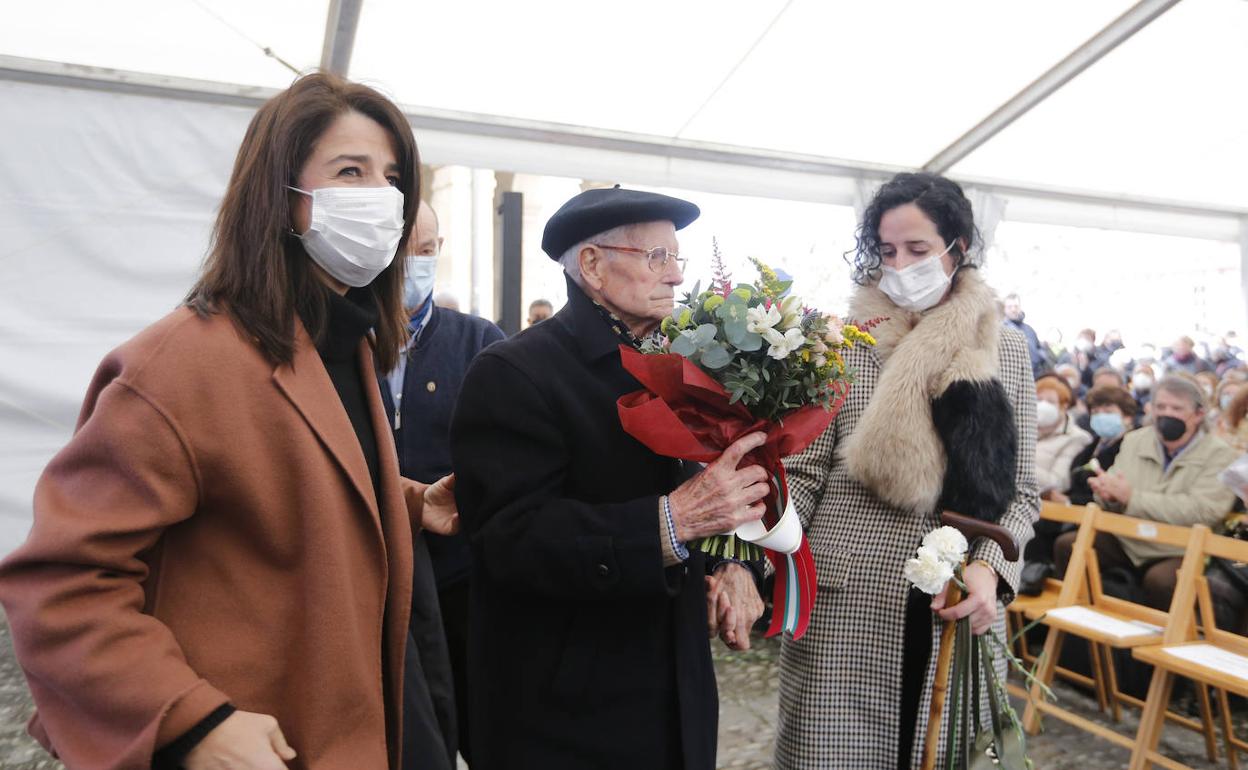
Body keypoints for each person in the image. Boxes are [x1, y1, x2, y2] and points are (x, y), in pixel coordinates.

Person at [0, 73, 457, 770]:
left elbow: (275, 482)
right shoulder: (178, 366)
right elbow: (61, 585)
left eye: (392, 176)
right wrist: (189, 721)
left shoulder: (342, 343)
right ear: (281, 198)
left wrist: (407, 503)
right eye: (350, 171)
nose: (381, 198)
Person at [449, 186, 768, 770]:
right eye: (656, 258)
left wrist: (734, 565)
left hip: (678, 687)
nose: (674, 277)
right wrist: (669, 522)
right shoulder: (513, 373)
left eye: (678, 258)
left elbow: (714, 493)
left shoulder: (688, 367)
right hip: (570, 711)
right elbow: (510, 538)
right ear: (592, 265)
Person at [778, 172, 1038, 769]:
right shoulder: (842, 342)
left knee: (941, 750)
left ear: (959, 248)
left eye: (918, 250)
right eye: (888, 251)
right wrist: (761, 563)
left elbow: (1022, 491)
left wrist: (989, 572)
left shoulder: (1007, 348)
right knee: (834, 752)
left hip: (958, 595)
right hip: (849, 601)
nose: (900, 266)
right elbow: (803, 469)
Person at [381, 201, 505, 769]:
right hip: (373, 579)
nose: (415, 264)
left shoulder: (479, 341)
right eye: (403, 251)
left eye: (426, 251)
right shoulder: (340, 346)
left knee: (485, 725)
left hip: (463, 580)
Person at [1054, 376, 1238, 610]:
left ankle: (1159, 642)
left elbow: (1204, 510)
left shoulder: (1221, 455)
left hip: (1179, 548)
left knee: (1161, 581)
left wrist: (1132, 498)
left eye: (1176, 408)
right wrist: (1107, 496)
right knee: (1069, 545)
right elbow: (1115, 487)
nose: (1166, 414)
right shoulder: (1136, 440)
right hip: (1128, 538)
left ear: (1198, 414)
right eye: (1160, 407)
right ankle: (1079, 629)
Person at [1067, 385, 1140, 506]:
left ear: (1127, 416)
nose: (1101, 417)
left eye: (1108, 412)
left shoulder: (1134, 447)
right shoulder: (1093, 446)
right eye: (1095, 412)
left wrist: (1069, 501)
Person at [1035, 373, 1093, 500]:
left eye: (1050, 401)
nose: (1043, 405)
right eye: (1038, 399)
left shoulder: (1077, 438)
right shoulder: (1021, 428)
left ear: (1063, 406)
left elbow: (1059, 483)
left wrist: (1017, 466)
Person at [1003, 293, 1046, 374]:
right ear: (1004, 309)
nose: (1013, 309)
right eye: (1010, 307)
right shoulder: (1001, 330)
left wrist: (1040, 356)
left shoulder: (1029, 330)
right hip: (1012, 376)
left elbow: (1039, 348)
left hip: (1034, 376)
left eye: (1016, 306)